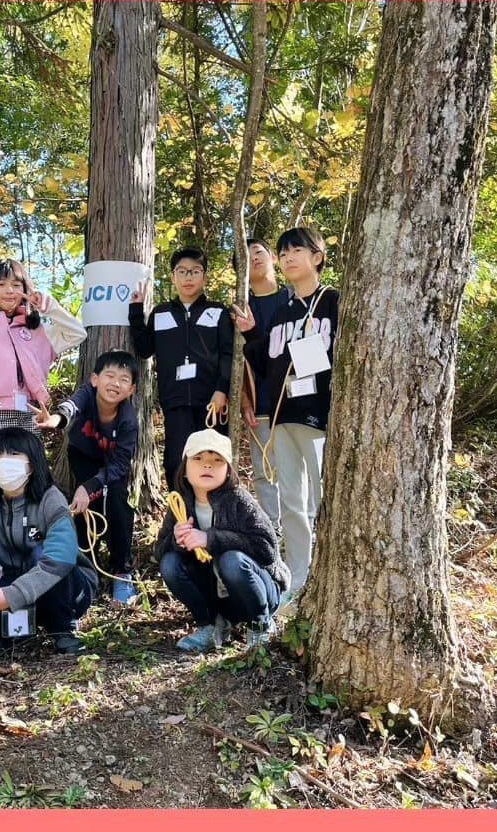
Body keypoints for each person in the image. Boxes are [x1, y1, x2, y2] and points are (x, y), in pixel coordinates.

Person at [233, 226, 339, 601]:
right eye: (284, 252)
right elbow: (269, 365)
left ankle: (330, 576)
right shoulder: (281, 313)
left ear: (317, 257)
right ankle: (297, 581)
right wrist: (252, 335)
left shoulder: (334, 302)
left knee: (322, 498)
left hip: (321, 416)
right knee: (292, 502)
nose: (289, 257)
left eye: (297, 250)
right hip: (282, 415)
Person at [0, 427, 96, 656]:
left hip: (65, 587)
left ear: (33, 463)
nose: (3, 462)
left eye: (13, 454)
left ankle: (62, 629)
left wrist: (12, 596)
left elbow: (60, 559)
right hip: (11, 581)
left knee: (45, 558)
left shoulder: (51, 499)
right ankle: (11, 632)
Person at [155, 429, 289, 653]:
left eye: (217, 460)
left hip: (258, 590)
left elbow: (267, 549)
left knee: (232, 561)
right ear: (185, 468)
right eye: (198, 458)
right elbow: (159, 552)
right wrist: (177, 540)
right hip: (217, 595)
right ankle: (211, 625)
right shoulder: (181, 502)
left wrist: (210, 538)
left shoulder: (239, 500)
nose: (207, 465)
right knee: (170, 563)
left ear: (228, 470)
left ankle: (261, 625)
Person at [30, 350, 141, 606]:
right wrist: (57, 419)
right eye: (109, 375)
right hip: (83, 457)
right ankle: (86, 571)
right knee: (83, 509)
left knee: (117, 504)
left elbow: (120, 464)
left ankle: (122, 571)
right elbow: (71, 406)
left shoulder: (128, 420)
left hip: (113, 467)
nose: (115, 383)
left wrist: (90, 487)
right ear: (94, 379)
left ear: (132, 389)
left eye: (124, 379)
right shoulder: (87, 394)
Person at [128, 247, 233, 488]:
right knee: (177, 460)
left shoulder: (218, 312)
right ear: (173, 276)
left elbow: (228, 354)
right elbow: (144, 349)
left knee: (212, 460)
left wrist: (221, 390)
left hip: (211, 402)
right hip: (174, 400)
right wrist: (136, 311)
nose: (188, 277)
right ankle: (181, 508)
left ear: (205, 277)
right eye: (182, 271)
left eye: (195, 271)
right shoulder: (161, 313)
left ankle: (213, 510)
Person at [0, 258, 86, 455]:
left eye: (16, 285)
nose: (9, 290)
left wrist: (48, 306)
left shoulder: (38, 329)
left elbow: (78, 334)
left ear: (26, 289)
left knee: (31, 472)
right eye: (1, 284)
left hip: (31, 415)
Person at [240, 237, 291, 530]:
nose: (254, 258)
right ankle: (274, 528)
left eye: (259, 252)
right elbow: (236, 360)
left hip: (295, 399)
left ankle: (304, 527)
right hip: (259, 400)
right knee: (264, 471)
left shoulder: (293, 298)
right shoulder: (241, 308)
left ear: (273, 258)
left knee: (297, 468)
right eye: (247, 257)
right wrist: (245, 400)